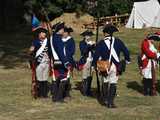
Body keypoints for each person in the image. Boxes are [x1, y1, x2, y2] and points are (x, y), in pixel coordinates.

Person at [93, 24, 130, 108]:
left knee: (105, 81)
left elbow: (96, 55)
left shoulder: (101, 43)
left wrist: (94, 65)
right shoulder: (118, 41)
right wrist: (127, 60)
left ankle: (105, 99)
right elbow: (125, 51)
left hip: (105, 66)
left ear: (105, 33)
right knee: (113, 83)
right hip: (115, 66)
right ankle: (110, 102)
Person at [50, 22, 72, 102]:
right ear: (60, 30)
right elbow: (60, 52)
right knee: (63, 78)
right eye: (62, 29)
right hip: (60, 61)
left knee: (57, 78)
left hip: (56, 61)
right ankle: (58, 98)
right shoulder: (58, 38)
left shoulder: (52, 37)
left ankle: (55, 97)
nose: (63, 30)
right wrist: (66, 62)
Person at [29, 27, 50, 98]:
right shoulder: (35, 41)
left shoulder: (48, 41)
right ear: (39, 34)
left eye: (45, 33)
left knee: (45, 79)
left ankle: (44, 94)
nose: (44, 34)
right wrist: (31, 50)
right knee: (39, 79)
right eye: (43, 33)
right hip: (39, 62)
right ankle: (40, 94)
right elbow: (31, 50)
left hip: (46, 62)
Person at [78, 30, 95, 96]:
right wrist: (88, 45)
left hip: (92, 60)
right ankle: (84, 91)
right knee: (85, 76)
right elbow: (83, 51)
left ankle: (88, 90)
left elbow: (95, 51)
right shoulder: (81, 43)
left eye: (89, 35)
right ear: (84, 36)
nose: (88, 37)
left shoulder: (92, 43)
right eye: (87, 35)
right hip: (85, 61)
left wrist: (94, 45)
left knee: (90, 76)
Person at [62, 26, 76, 99]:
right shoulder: (60, 40)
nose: (64, 33)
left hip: (68, 60)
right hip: (60, 61)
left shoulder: (71, 40)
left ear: (68, 33)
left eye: (65, 32)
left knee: (67, 77)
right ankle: (61, 92)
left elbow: (72, 51)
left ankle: (66, 93)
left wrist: (66, 57)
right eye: (63, 32)